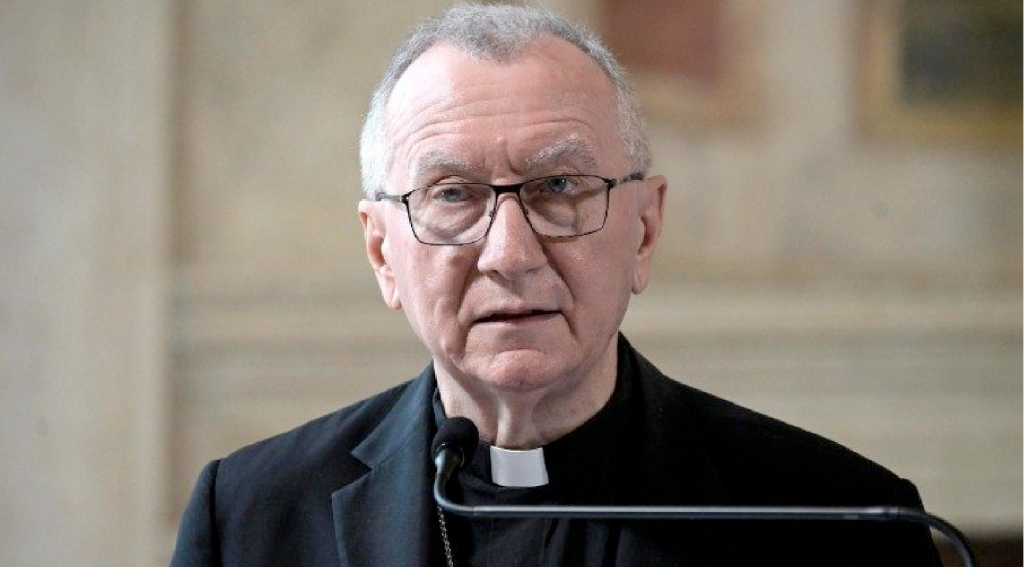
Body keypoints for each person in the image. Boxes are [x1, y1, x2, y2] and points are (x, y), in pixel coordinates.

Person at [170, 4, 943, 566]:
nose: (510, 254)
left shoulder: (841, 522)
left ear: (645, 229)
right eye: (453, 194)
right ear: (382, 252)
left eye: (560, 186)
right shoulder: (249, 519)